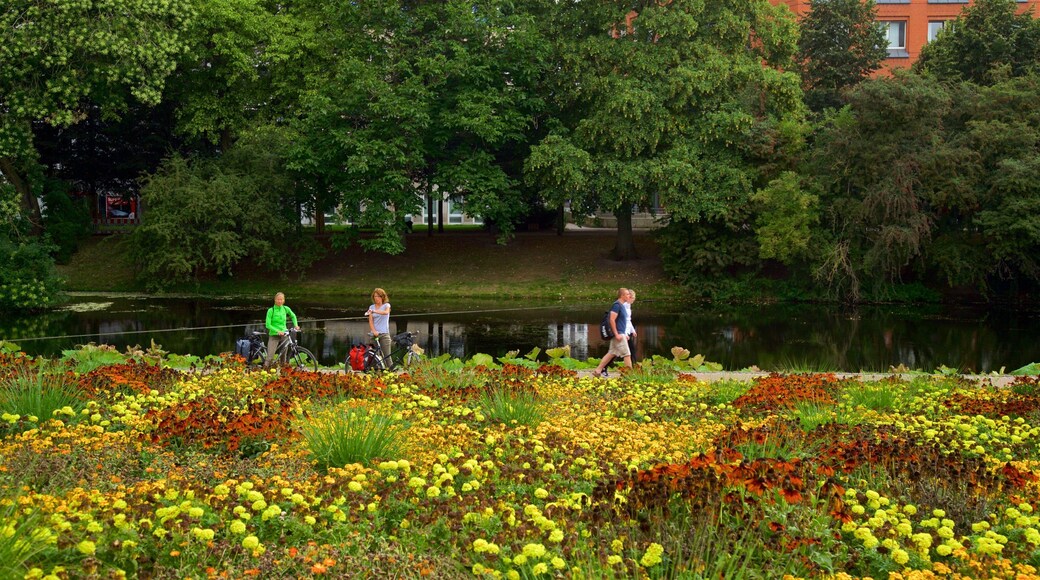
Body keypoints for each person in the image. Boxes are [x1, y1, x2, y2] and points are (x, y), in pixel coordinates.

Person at [592, 288, 632, 377]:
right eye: (627, 294)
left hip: (621, 333)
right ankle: (630, 374)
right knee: (627, 354)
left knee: (611, 353)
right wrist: (616, 334)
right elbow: (612, 319)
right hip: (618, 334)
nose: (629, 296)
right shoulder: (616, 305)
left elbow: (621, 322)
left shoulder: (622, 306)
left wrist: (625, 334)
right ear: (622, 295)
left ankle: (598, 371)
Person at [264, 292, 299, 368]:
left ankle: (283, 375)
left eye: (281, 299)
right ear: (275, 300)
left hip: (284, 335)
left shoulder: (285, 309)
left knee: (283, 356)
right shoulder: (271, 310)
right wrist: (277, 331)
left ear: (284, 300)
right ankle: (265, 370)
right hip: (274, 335)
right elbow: (268, 325)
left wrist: (295, 325)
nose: (280, 301)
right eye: (278, 299)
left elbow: (293, 316)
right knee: (270, 356)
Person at [367, 288, 392, 367]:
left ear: (382, 297)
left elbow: (386, 312)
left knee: (387, 355)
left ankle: (390, 371)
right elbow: (371, 321)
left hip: (384, 333)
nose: (376, 298)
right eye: (375, 297)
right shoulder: (371, 307)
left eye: (378, 296)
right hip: (374, 334)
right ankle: (374, 371)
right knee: (373, 356)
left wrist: (374, 311)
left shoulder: (386, 305)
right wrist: (374, 331)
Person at [624, 289, 637, 362]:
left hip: (627, 332)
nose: (633, 300)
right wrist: (625, 333)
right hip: (624, 332)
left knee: (615, 351)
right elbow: (624, 321)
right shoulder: (624, 306)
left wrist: (633, 330)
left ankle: (633, 363)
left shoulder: (628, 306)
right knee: (631, 348)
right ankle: (634, 363)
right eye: (633, 298)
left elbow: (628, 320)